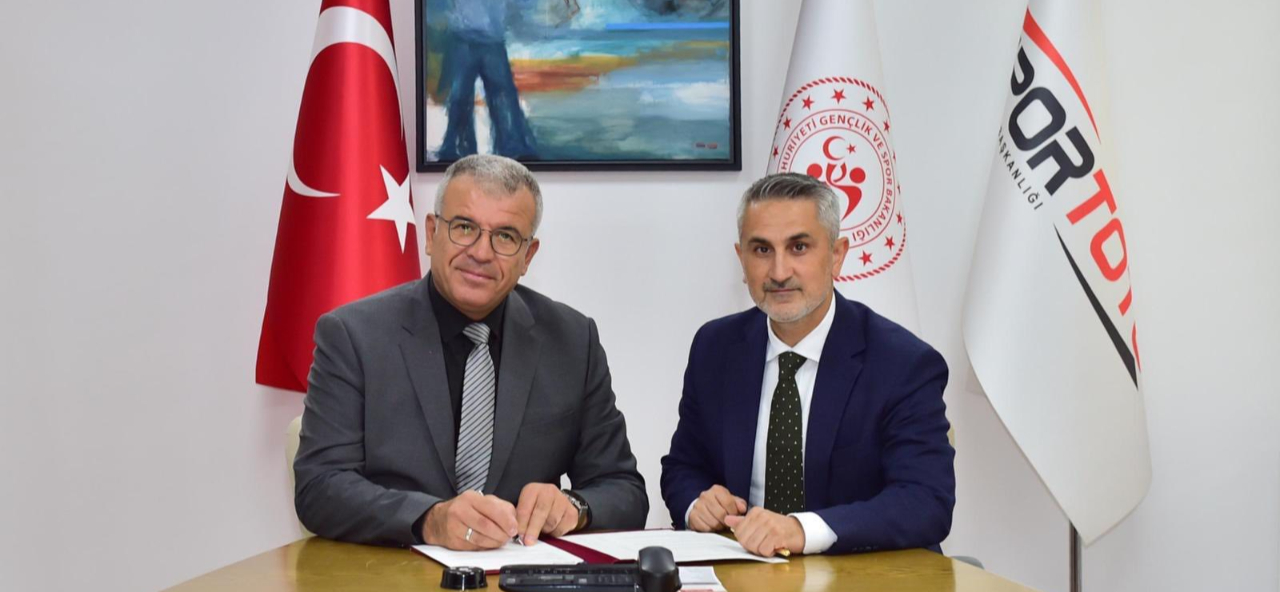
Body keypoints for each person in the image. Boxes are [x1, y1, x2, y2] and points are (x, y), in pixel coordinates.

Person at [295, 154, 647, 548]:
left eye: (506, 236)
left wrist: (574, 507)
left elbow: (624, 491)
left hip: (518, 570)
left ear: (528, 256)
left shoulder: (573, 341)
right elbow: (319, 487)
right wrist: (429, 520)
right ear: (431, 234)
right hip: (392, 568)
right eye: (464, 227)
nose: (481, 252)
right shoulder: (353, 336)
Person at [660, 173, 955, 557]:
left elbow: (925, 500)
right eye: (761, 250)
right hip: (746, 571)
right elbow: (683, 467)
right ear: (741, 259)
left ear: (837, 255)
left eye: (798, 247)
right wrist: (697, 505)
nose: (779, 272)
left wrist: (802, 530)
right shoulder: (715, 348)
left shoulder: (902, 363)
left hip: (861, 572)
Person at [425, 0, 567, 161]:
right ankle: (457, 149)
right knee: (459, 97)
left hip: (492, 44)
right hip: (462, 43)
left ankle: (514, 149)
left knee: (503, 96)